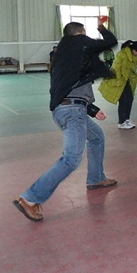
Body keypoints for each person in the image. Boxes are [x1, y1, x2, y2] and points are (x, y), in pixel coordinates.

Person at [13, 20, 118, 222]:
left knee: (96, 137)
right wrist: (101, 28)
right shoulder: (77, 42)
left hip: (71, 108)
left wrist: (92, 109)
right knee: (71, 159)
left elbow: (71, 88)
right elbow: (110, 42)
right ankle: (29, 198)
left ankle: (96, 178)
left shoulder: (66, 56)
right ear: (80, 34)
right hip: (72, 111)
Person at [98, 40, 137, 130]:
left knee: (130, 99)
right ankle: (121, 122)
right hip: (118, 80)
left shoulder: (134, 57)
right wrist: (119, 80)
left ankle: (127, 119)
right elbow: (116, 68)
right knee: (123, 100)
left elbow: (132, 70)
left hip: (127, 81)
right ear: (134, 49)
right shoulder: (121, 54)